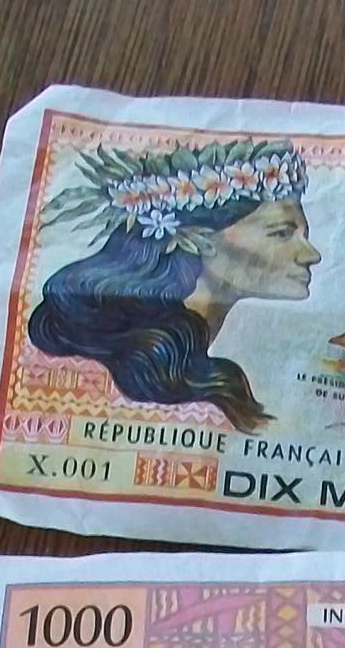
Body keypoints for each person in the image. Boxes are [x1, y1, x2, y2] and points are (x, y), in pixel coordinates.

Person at [26, 138, 319, 432]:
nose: (312, 255)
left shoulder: (190, 358)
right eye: (281, 234)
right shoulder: (122, 363)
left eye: (304, 235)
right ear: (201, 238)